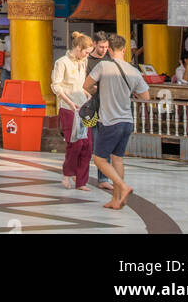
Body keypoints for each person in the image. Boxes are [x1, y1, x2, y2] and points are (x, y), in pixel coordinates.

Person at [82, 33, 150, 210]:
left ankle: (122, 186)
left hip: (109, 121)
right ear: (125, 49)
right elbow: (146, 97)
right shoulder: (133, 71)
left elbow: (86, 85)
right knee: (117, 159)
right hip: (127, 120)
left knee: (99, 159)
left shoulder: (103, 66)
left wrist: (99, 89)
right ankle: (117, 199)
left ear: (109, 50)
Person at [51, 31, 94, 190]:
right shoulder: (62, 62)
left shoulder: (82, 62)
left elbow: (79, 85)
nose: (87, 56)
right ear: (78, 48)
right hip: (68, 108)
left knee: (88, 145)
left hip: (83, 107)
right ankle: (67, 172)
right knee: (75, 143)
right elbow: (57, 86)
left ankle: (81, 180)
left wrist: (88, 94)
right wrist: (69, 102)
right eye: (86, 52)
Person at [86, 32, 111, 188]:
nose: (104, 50)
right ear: (94, 44)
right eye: (101, 46)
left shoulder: (109, 61)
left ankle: (103, 179)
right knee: (90, 142)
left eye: (106, 47)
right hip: (91, 108)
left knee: (105, 144)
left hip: (107, 108)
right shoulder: (87, 61)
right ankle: (81, 175)